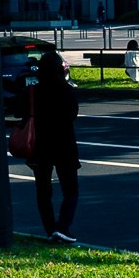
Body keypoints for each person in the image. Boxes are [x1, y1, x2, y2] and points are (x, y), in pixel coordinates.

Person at [23, 51, 82, 243]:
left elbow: (22, 113)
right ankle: (63, 226)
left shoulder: (34, 92)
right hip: (65, 143)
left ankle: (50, 229)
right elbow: (72, 115)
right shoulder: (69, 91)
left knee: (43, 191)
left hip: (41, 144)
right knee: (70, 189)